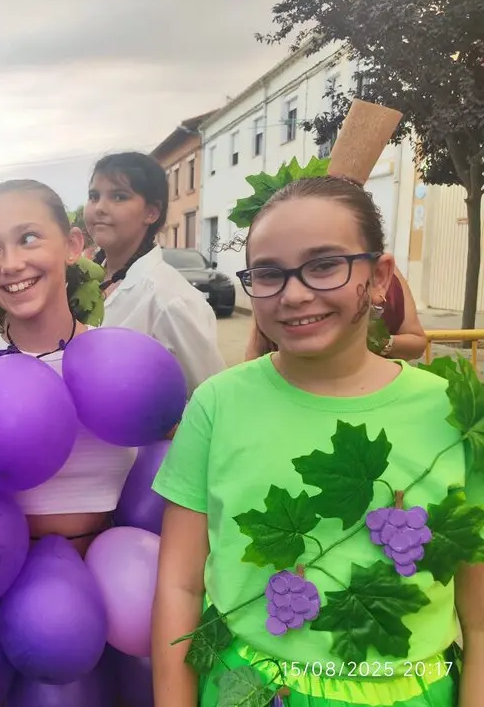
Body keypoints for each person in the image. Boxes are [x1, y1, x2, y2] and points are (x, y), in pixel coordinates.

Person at [151, 176, 483, 706]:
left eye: (325, 264)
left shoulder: (454, 413)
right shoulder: (217, 405)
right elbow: (180, 586)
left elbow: (479, 615)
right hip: (248, 691)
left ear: (379, 278)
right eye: (269, 273)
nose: (295, 292)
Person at [0, 179, 135, 555]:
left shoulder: (128, 366)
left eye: (29, 238)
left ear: (73, 246)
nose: (12, 264)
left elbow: (182, 472)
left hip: (122, 586)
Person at [84, 152, 224, 392]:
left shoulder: (171, 301)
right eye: (94, 196)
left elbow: (210, 398)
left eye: (119, 196)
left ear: (151, 212)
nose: (100, 208)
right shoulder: (81, 281)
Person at [245, 265, 427, 361]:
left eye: (326, 266)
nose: (295, 296)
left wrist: (379, 341)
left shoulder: (388, 276)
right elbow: (257, 346)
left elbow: (417, 342)